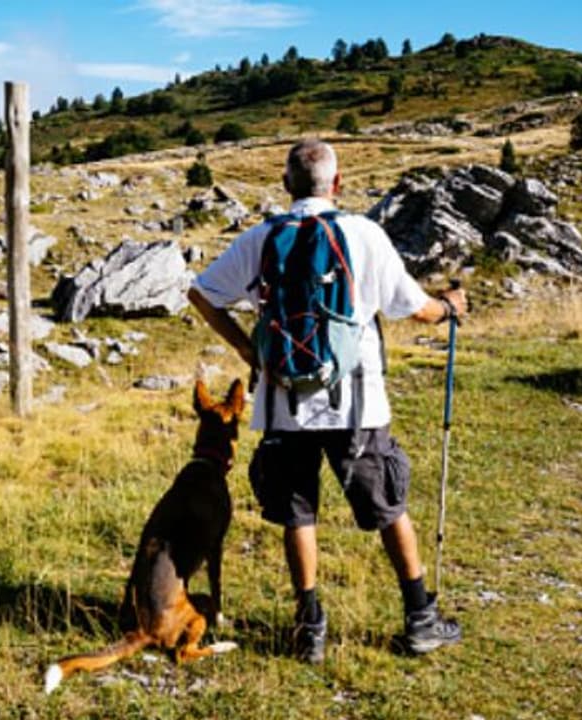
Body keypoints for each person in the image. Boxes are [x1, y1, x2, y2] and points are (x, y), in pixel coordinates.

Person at [187, 139, 467, 661]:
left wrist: (250, 349)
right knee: (386, 504)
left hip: (281, 401)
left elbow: (200, 293)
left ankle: (309, 626)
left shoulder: (261, 238)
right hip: (355, 402)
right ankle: (419, 617)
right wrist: (449, 306)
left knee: (297, 511)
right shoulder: (363, 235)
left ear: (286, 183)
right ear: (337, 184)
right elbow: (416, 308)